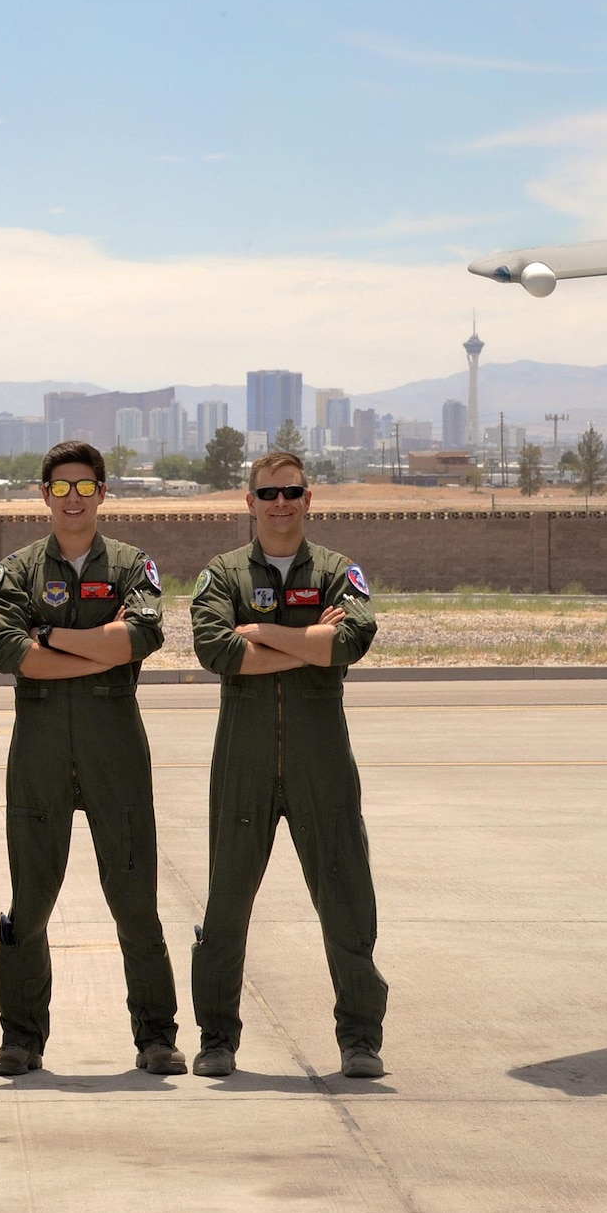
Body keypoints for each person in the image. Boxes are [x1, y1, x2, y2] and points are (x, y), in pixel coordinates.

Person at [0, 440, 184, 1076]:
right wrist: (98, 645)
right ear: (44, 495)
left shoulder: (131, 565)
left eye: (85, 487)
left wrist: (53, 638)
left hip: (115, 748)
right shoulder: (16, 570)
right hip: (39, 749)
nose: (73, 498)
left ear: (102, 492)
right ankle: (20, 1037)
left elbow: (142, 636)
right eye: (61, 487)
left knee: (134, 898)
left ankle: (156, 1035)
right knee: (31, 898)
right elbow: (7, 649)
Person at [188, 450, 387, 1080]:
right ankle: (217, 1038)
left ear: (308, 499)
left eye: (291, 493)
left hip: (320, 758)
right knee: (226, 906)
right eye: (268, 494)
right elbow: (216, 651)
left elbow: (351, 640)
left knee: (346, 898)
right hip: (243, 758)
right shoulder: (221, 573)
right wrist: (306, 643)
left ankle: (360, 1040)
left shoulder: (337, 571)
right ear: (248, 502)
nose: (280, 504)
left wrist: (261, 632)